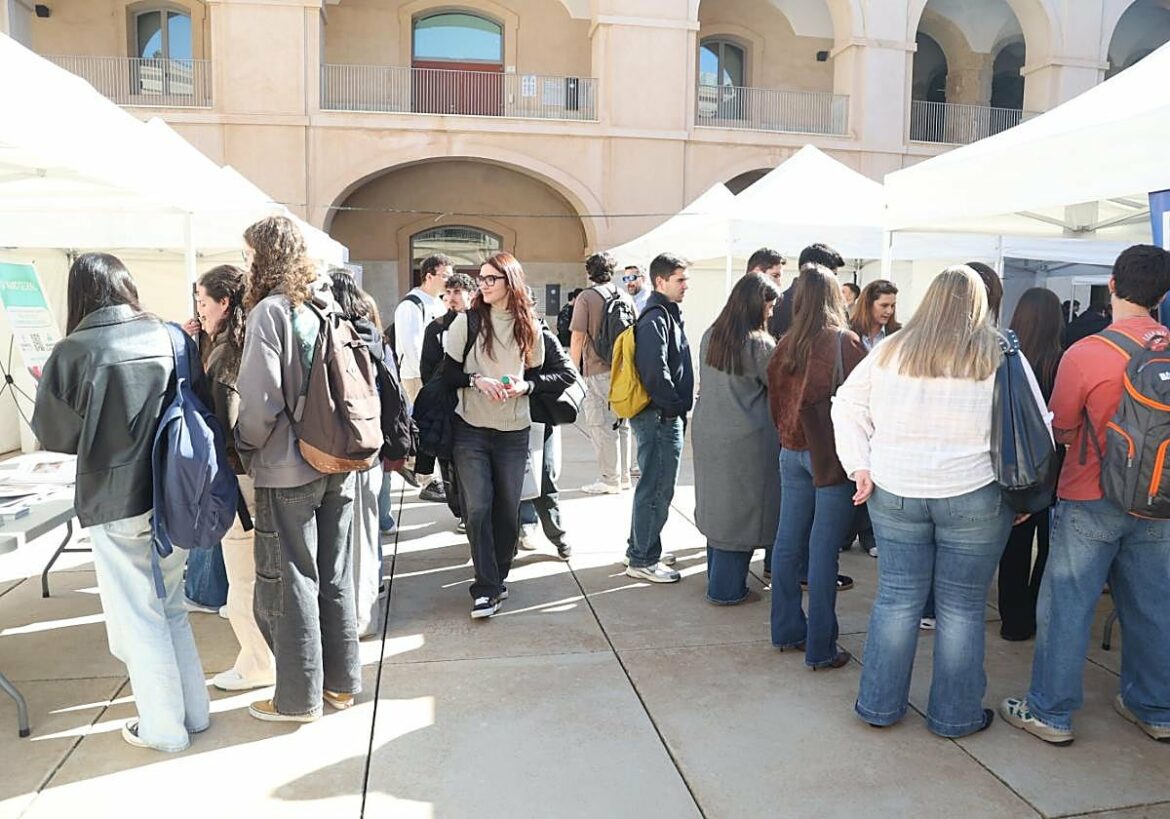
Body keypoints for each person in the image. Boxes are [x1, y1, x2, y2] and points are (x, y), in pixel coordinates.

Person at [834, 265, 1040, 737]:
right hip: (975, 494)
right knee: (962, 607)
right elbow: (1037, 424)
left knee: (897, 599)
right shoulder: (1001, 352)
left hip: (895, 491)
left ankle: (879, 706)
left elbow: (845, 404)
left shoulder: (890, 349)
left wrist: (859, 465)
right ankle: (955, 715)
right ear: (980, 302)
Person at [33, 253, 210, 751]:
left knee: (140, 615)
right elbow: (199, 403)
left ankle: (165, 730)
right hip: (177, 491)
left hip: (115, 500)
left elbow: (55, 436)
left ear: (79, 293)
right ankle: (193, 715)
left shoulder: (71, 350)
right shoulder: (173, 336)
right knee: (172, 607)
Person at [1002, 245, 1170, 746]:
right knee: (1155, 606)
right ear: (1162, 295)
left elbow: (1063, 428)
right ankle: (1156, 707)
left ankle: (1050, 711)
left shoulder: (1087, 352)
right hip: (1161, 500)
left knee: (1067, 606)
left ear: (1113, 286)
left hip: (1091, 495)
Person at [236, 216, 361, 722]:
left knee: (293, 581)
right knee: (333, 575)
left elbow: (260, 404)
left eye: (247, 254)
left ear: (264, 255)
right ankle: (341, 685)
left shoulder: (271, 311)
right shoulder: (322, 305)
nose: (244, 263)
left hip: (290, 467)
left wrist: (243, 446)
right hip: (338, 457)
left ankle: (297, 699)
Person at [768, 264, 866, 668]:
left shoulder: (784, 344)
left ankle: (788, 629)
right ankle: (821, 647)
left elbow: (773, 402)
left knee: (788, 543)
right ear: (833, 297)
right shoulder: (844, 342)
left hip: (791, 451)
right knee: (823, 552)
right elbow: (865, 399)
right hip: (831, 456)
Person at [444, 252, 545, 619]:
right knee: (478, 507)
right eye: (482, 279)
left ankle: (498, 576)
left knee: (507, 510)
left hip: (513, 432)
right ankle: (485, 587)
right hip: (470, 428)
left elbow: (544, 375)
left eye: (491, 279)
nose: (483, 284)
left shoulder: (529, 326)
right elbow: (447, 375)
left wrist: (525, 387)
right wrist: (476, 380)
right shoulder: (466, 323)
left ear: (510, 283)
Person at [196, 264, 276, 692]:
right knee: (255, 575)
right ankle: (259, 658)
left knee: (242, 580)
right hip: (262, 476)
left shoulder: (227, 353)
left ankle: (257, 663)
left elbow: (226, 421)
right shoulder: (248, 341)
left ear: (224, 303)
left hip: (240, 481)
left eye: (203, 302)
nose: (200, 311)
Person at [693, 272, 781, 604]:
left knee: (719, 510)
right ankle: (726, 589)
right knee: (742, 515)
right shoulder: (759, 343)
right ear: (756, 305)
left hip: (709, 432)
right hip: (748, 440)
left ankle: (718, 579)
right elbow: (779, 389)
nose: (771, 313)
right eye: (769, 305)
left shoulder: (710, 335)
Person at [996, 288, 1064, 642]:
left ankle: (1013, 619)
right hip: (1053, 467)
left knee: (1015, 543)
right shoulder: (1060, 360)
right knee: (1050, 546)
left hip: (1013, 464)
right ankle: (1035, 610)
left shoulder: (1004, 357)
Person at [625, 253, 694, 584]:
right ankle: (643, 559)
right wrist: (673, 407)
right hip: (659, 417)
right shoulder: (656, 318)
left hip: (661, 415)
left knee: (653, 486)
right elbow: (655, 371)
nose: (685, 286)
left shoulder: (663, 313)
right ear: (660, 281)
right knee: (656, 488)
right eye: (680, 280)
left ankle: (641, 548)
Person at [330, 268, 391, 639]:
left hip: (350, 447)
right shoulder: (374, 335)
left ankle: (360, 615)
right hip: (373, 442)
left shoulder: (343, 340)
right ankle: (369, 600)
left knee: (354, 535)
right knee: (369, 531)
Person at [414, 272, 477, 533]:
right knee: (446, 460)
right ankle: (460, 510)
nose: (451, 298)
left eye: (457, 292)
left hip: (474, 402)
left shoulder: (479, 324)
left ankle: (472, 507)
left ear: (471, 294)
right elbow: (426, 368)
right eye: (447, 293)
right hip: (444, 404)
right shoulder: (436, 327)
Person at [570, 251, 633, 495]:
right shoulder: (624, 296)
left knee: (599, 424)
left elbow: (578, 335)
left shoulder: (587, 297)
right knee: (622, 423)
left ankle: (609, 478)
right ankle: (624, 476)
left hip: (596, 368)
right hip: (622, 369)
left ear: (589, 272)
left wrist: (573, 368)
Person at [393, 254, 452, 501]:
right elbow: (412, 345)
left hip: (435, 378)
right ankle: (424, 478)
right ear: (429, 276)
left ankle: (421, 471)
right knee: (424, 428)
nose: (448, 281)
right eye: (445, 276)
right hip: (418, 377)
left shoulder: (438, 302)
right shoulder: (411, 305)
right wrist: (429, 381)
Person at [519, 310, 577, 561]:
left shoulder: (542, 337)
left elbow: (567, 374)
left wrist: (531, 385)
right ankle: (515, 534)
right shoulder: (495, 337)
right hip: (502, 423)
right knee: (510, 485)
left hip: (538, 422)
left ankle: (557, 536)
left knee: (543, 481)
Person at [769, 243, 843, 339]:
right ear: (820, 272)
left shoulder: (776, 305)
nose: (835, 281)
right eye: (834, 275)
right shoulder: (774, 306)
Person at [850, 280, 901, 351]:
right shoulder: (849, 332)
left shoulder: (898, 335)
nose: (889, 311)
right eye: (884, 305)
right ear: (868, 304)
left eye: (892, 306)